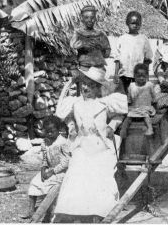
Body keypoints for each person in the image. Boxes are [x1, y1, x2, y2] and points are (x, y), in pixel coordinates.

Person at [53, 67, 127, 223]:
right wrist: (71, 126)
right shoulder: (75, 104)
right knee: (77, 172)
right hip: (82, 146)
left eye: (91, 85)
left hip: (101, 148)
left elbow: (120, 115)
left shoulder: (105, 103)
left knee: (99, 174)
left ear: (97, 88)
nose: (86, 88)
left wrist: (112, 126)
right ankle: (71, 211)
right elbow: (62, 113)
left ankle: (98, 212)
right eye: (84, 84)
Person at [23, 116, 69, 219]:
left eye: (52, 131)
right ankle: (31, 209)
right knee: (35, 182)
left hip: (60, 171)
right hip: (48, 169)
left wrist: (52, 172)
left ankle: (49, 212)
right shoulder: (45, 142)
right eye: (47, 132)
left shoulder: (62, 142)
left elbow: (66, 162)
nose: (49, 134)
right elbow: (44, 159)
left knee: (52, 188)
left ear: (59, 130)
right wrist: (43, 169)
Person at [113, 11, 153, 93]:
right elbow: (117, 59)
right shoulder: (122, 39)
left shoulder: (143, 39)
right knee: (124, 96)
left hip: (139, 75)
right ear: (127, 23)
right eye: (133, 23)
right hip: (124, 74)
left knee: (137, 96)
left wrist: (147, 76)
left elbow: (147, 60)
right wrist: (116, 74)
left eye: (138, 23)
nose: (135, 25)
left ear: (141, 24)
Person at [120, 63, 158, 139]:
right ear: (134, 76)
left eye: (143, 76)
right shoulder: (131, 86)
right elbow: (129, 99)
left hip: (146, 108)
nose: (141, 78)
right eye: (138, 76)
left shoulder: (149, 85)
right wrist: (128, 107)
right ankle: (123, 130)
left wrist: (155, 106)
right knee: (128, 117)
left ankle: (150, 128)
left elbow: (154, 98)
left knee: (146, 116)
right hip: (135, 108)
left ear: (147, 76)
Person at [70, 5, 111, 71]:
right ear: (82, 19)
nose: (90, 20)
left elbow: (107, 53)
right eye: (86, 17)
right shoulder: (78, 33)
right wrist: (83, 45)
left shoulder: (101, 34)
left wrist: (101, 47)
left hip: (99, 68)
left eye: (92, 17)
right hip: (84, 67)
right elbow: (72, 47)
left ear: (95, 18)